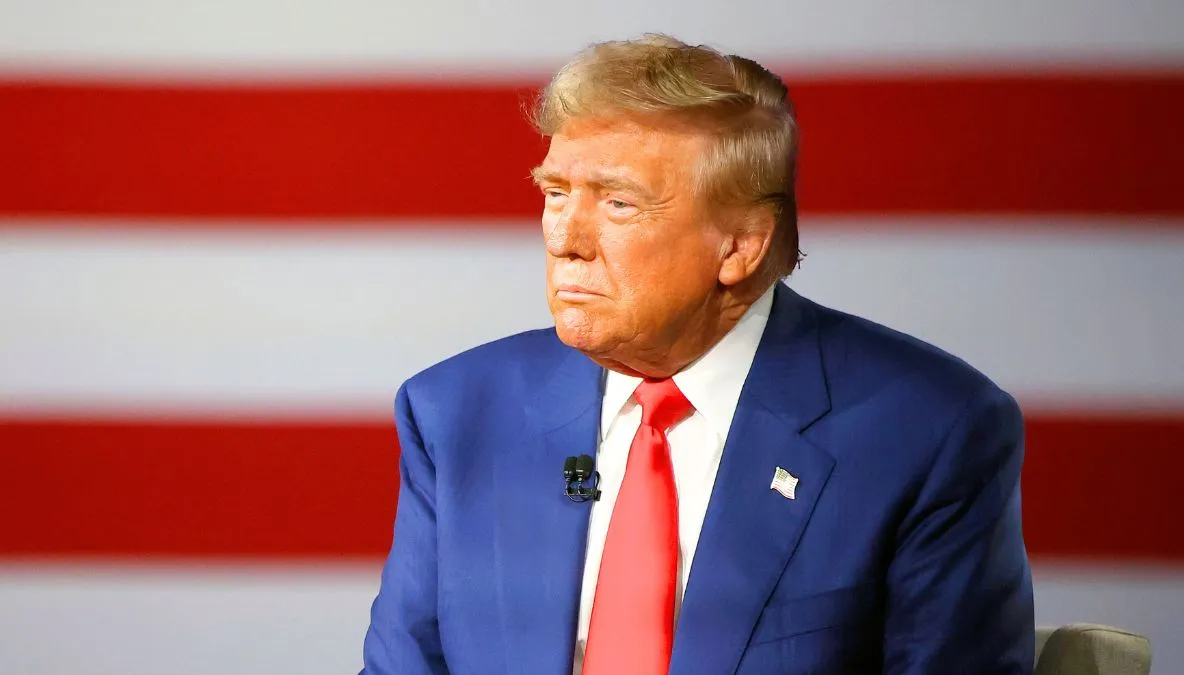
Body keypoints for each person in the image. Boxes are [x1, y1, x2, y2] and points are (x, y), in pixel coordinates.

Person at [360, 34, 1033, 675]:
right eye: (555, 192)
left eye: (618, 203)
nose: (565, 237)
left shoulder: (928, 432)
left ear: (739, 246)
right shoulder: (457, 414)